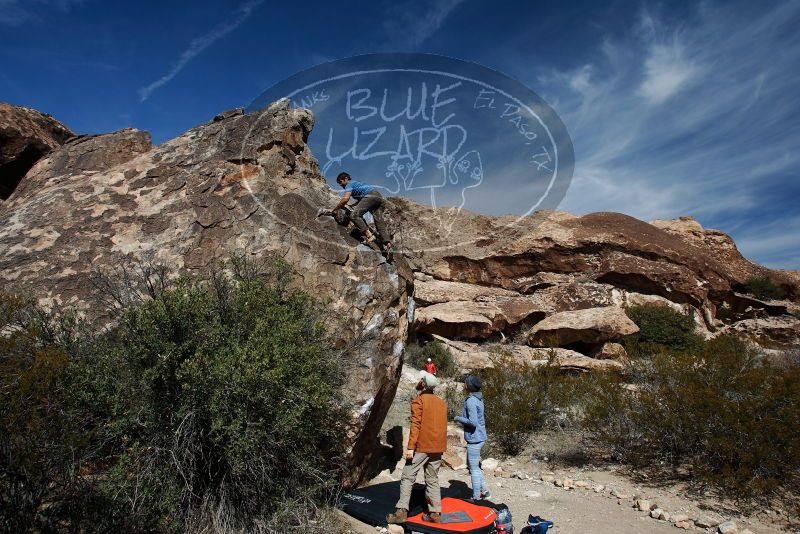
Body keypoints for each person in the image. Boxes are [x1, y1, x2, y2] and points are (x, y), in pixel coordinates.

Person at [386, 371, 447, 525]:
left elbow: (416, 426)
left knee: (408, 476)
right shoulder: (441, 402)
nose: (419, 381)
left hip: (422, 446)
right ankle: (435, 513)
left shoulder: (419, 401)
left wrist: (411, 447)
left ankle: (401, 512)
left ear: (423, 384)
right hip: (438, 447)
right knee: (432, 479)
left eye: (421, 380)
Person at [325, 172, 392, 250]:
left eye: (341, 182)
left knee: (354, 215)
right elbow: (363, 198)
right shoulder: (357, 184)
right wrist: (353, 205)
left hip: (371, 196)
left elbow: (345, 199)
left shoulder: (349, 184)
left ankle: (369, 235)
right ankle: (388, 243)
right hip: (379, 198)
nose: (340, 184)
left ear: (346, 179)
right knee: (379, 222)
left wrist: (334, 209)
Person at [454, 374, 490, 501]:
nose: (464, 384)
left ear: (468, 386)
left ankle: (476, 497)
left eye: (465, 383)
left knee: (473, 469)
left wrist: (458, 418)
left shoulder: (471, 401)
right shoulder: (479, 398)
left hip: (474, 438)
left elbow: (473, 422)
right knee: (475, 466)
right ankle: (485, 491)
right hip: (480, 436)